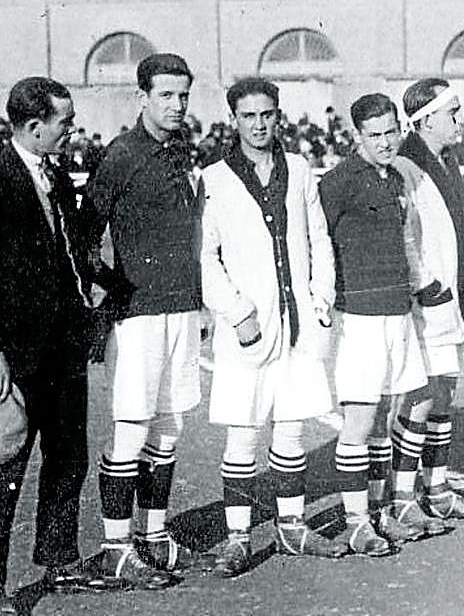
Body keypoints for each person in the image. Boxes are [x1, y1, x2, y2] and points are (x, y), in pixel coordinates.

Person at [200, 78, 347, 576]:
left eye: (267, 115)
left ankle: (292, 527)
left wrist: (321, 297)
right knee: (242, 436)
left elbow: (320, 239)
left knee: (290, 431)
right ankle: (238, 537)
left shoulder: (301, 169)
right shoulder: (215, 177)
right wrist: (237, 312)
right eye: (249, 116)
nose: (259, 125)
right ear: (234, 120)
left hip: (300, 323)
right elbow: (206, 257)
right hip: (249, 325)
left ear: (278, 115)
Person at [86, 53, 204, 587]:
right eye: (165, 96)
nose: (176, 105)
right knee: (131, 425)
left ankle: (154, 536)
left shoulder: (184, 151)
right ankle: (115, 546)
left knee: (169, 426)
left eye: (182, 95)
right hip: (136, 316)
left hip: (180, 310)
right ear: (143, 98)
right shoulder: (120, 155)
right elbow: (83, 238)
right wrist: (114, 291)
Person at [320, 93, 452, 553]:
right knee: (361, 418)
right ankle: (358, 521)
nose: (384, 142)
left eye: (390, 131)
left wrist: (424, 286)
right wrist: (326, 305)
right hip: (359, 315)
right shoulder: (337, 182)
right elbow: (319, 245)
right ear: (357, 136)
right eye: (374, 135)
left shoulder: (397, 177)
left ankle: (393, 504)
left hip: (399, 309)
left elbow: (407, 239)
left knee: (417, 399)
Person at [0, 78, 102, 609]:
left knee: (68, 458)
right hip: (15, 355)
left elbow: (71, 252)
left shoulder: (57, 175)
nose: (71, 128)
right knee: (5, 471)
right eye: (65, 121)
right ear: (35, 126)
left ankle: (59, 562)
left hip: (64, 349)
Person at [398, 79, 464, 519]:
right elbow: (404, 236)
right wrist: (426, 285)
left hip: (455, 298)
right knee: (420, 397)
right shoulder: (405, 164)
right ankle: (401, 498)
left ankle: (435, 490)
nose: (459, 119)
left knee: (444, 394)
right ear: (425, 120)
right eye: (452, 112)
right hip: (428, 302)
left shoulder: (450, 161)